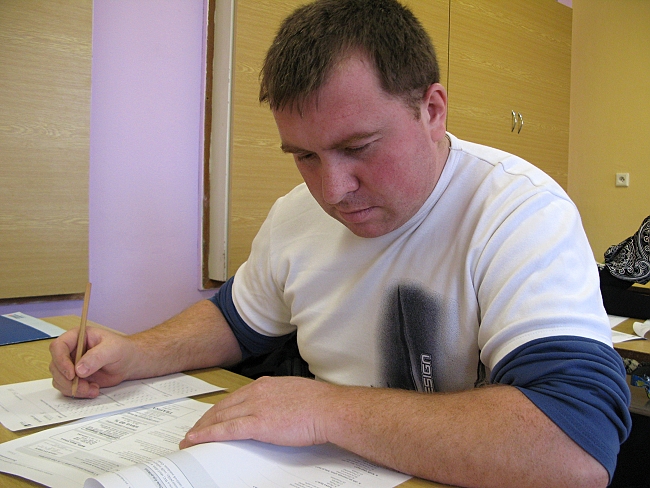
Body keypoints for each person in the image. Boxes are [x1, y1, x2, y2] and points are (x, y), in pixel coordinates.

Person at [49, 1, 631, 486]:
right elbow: (235, 320)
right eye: (305, 155)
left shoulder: (519, 210)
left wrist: (324, 409)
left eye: (357, 148)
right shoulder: (295, 215)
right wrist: (135, 352)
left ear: (431, 110)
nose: (333, 191)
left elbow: (577, 449)